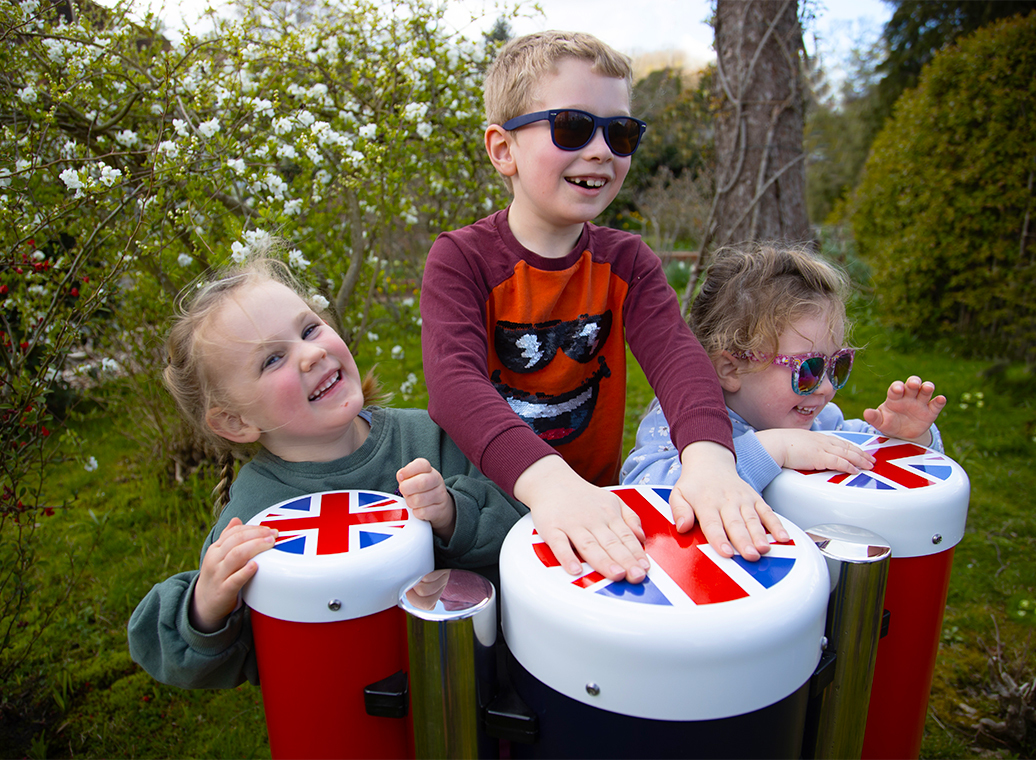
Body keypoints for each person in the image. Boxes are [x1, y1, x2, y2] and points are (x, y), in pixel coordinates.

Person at [420, 30, 788, 587]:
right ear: (503, 149)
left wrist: (711, 461)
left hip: (600, 508)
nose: (600, 150)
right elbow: (453, 385)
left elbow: (677, 358)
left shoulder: (628, 261)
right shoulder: (461, 258)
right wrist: (550, 485)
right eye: (571, 127)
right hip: (483, 515)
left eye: (620, 132)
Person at [128, 255, 526, 689]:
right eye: (273, 359)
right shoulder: (254, 514)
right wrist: (206, 608)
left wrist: (453, 514)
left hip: (469, 687)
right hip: (342, 710)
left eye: (309, 329)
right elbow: (201, 658)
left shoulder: (430, 435)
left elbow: (523, 534)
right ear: (235, 422)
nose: (312, 352)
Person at [622, 243, 946, 491]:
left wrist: (906, 439)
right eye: (808, 369)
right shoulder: (674, 425)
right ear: (731, 369)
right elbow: (646, 490)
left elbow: (867, 454)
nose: (826, 387)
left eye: (838, 365)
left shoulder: (821, 421)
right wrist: (771, 449)